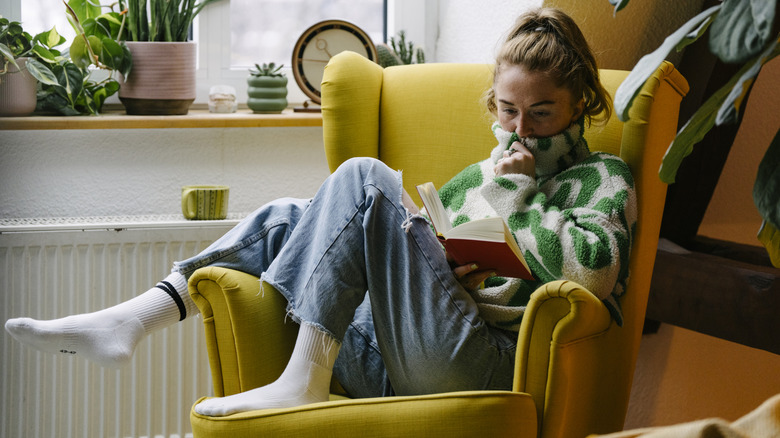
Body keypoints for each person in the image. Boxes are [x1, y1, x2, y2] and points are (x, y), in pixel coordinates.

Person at [5, 7, 635, 417]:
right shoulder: (478, 174)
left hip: (485, 365)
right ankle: (136, 317)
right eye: (506, 110)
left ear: (580, 102)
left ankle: (305, 378)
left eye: (541, 113)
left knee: (366, 178)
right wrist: (446, 258)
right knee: (290, 215)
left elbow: (593, 276)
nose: (519, 129)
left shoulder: (604, 179)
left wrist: (514, 195)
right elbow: (413, 258)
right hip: (400, 355)